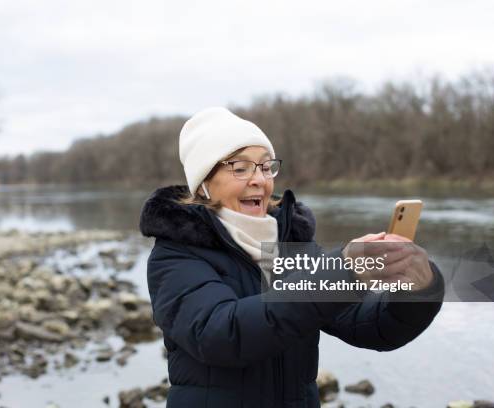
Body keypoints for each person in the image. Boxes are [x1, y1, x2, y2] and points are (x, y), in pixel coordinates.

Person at [139, 107, 444, 407]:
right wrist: (342, 270)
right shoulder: (176, 255)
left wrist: (419, 288)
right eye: (241, 168)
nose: (259, 179)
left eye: (265, 166)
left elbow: (372, 327)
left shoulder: (292, 246)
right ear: (205, 183)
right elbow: (222, 335)